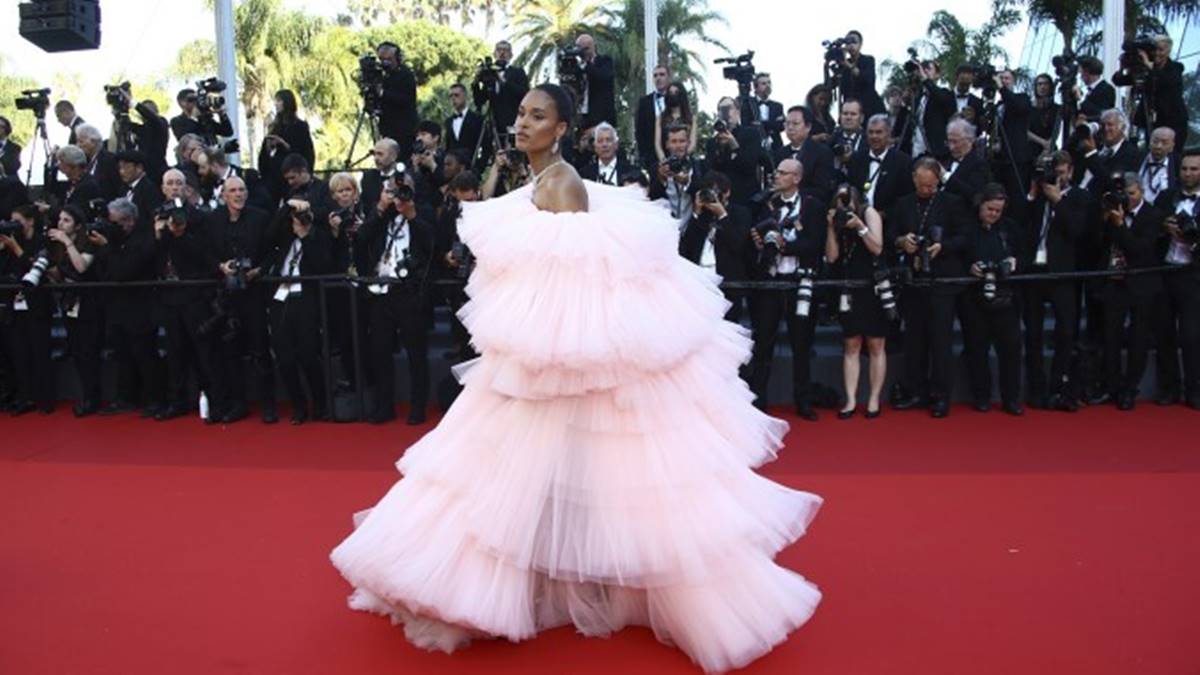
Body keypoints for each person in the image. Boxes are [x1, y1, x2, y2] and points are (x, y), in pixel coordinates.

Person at [330, 82, 822, 673]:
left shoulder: (562, 184)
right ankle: (552, 577)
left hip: (561, 355)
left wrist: (541, 351)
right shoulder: (539, 179)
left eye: (537, 116)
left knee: (546, 473)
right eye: (520, 113)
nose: (523, 123)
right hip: (540, 350)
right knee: (530, 474)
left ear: (562, 128)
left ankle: (570, 581)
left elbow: (577, 280)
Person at [889, 158, 970, 418]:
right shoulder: (903, 204)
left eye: (932, 186)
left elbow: (965, 237)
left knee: (940, 341)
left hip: (942, 281)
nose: (927, 190)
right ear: (914, 179)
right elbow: (891, 234)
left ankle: (941, 395)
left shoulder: (952, 203)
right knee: (914, 340)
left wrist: (942, 246)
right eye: (923, 185)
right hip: (913, 282)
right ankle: (916, 391)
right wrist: (902, 241)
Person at [747, 158, 827, 420]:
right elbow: (756, 238)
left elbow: (815, 243)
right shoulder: (765, 204)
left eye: (783, 173)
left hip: (798, 282)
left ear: (796, 178)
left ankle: (803, 401)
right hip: (770, 282)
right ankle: (758, 400)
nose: (777, 176)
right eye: (777, 172)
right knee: (763, 343)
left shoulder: (812, 206)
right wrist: (759, 242)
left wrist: (785, 246)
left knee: (801, 344)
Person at [358, 174, 433, 425]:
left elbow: (432, 244)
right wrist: (380, 207)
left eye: (404, 190)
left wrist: (412, 215)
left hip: (409, 290)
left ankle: (418, 406)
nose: (399, 196)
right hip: (381, 289)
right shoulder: (382, 214)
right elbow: (361, 239)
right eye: (393, 191)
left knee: (416, 352)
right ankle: (384, 406)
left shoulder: (423, 211)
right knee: (380, 350)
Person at [205, 176, 277, 424]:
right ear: (224, 195)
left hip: (254, 294)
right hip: (225, 296)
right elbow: (205, 253)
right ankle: (238, 404)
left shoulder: (260, 217)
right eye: (233, 190)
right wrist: (220, 267)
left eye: (242, 190)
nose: (238, 194)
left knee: (260, 350)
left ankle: (268, 404)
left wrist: (259, 270)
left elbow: (272, 251)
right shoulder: (212, 220)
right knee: (230, 352)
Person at [1022, 151, 1089, 411]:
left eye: (1060, 173)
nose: (1056, 178)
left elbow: (1078, 232)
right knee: (1033, 333)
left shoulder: (1080, 197)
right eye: (1052, 173)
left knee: (1065, 332)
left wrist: (1058, 201)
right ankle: (1036, 389)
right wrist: (1032, 195)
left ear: (1070, 171)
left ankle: (1059, 387)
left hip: (1063, 273)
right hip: (1034, 271)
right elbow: (1022, 224)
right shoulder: (1038, 196)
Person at [266, 196, 335, 424]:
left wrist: (306, 235)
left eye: (305, 215)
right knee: (284, 358)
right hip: (281, 299)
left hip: (306, 300)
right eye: (297, 216)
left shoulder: (319, 236)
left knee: (308, 356)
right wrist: (288, 207)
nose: (301, 219)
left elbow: (322, 265)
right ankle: (298, 405)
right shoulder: (284, 236)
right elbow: (268, 234)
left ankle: (320, 403)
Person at [92, 198, 162, 417]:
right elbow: (104, 272)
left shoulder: (143, 239)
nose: (112, 227)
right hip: (117, 306)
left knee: (145, 355)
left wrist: (107, 248)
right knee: (122, 355)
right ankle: (125, 397)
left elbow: (125, 271)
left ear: (129, 220)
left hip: (140, 306)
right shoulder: (114, 241)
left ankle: (154, 399)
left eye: (116, 222)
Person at [824, 185, 888, 418]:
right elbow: (832, 256)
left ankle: (873, 398)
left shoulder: (868, 212)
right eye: (839, 203)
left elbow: (877, 248)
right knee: (851, 344)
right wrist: (831, 227)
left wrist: (860, 227)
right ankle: (851, 399)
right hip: (848, 286)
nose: (844, 208)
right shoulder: (837, 220)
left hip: (872, 286)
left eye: (847, 202)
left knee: (875, 344)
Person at [962, 184, 1025, 415]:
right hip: (975, 298)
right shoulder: (967, 229)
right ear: (980, 204)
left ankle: (1012, 398)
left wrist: (1015, 262)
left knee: (1010, 351)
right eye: (990, 209)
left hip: (1006, 298)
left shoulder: (1010, 229)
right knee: (976, 350)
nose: (994, 214)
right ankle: (981, 396)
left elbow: (1024, 254)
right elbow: (957, 254)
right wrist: (970, 267)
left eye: (998, 210)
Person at [44, 204, 104, 416]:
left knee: (88, 353)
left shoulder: (87, 242)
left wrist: (67, 242)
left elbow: (81, 267)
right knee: (77, 352)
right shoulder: (57, 246)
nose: (61, 224)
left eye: (67, 220)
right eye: (60, 219)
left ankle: (92, 397)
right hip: (69, 304)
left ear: (78, 225)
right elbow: (60, 274)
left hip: (89, 304)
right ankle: (85, 395)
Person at [1154, 149, 1200, 410]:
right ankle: (1169, 388)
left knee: (1192, 336)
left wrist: (1192, 240)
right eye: (1184, 169)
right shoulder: (1166, 197)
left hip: (1193, 276)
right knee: (1164, 334)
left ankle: (1195, 390)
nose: (1188, 174)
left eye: (1194, 169)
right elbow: (1149, 227)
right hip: (1165, 272)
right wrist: (1164, 229)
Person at [0, 205, 54, 415]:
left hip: (38, 305)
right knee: (19, 353)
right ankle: (24, 397)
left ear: (31, 221)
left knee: (40, 352)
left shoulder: (41, 241)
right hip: (15, 305)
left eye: (18, 221)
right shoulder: (12, 242)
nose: (14, 226)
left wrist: (16, 249)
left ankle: (45, 398)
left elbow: (37, 267)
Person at [678, 170, 752, 321]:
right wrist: (696, 213)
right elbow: (687, 247)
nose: (711, 197)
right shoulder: (702, 216)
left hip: (727, 281)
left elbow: (737, 244)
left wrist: (722, 215)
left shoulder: (740, 213)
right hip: (700, 280)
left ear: (727, 193)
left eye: (715, 193)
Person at [846, 114, 913, 218]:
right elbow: (851, 186)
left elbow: (905, 199)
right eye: (871, 132)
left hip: (889, 221)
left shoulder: (903, 162)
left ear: (888, 134)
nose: (874, 136)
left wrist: (883, 214)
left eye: (879, 132)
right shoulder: (856, 158)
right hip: (858, 218)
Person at [257, 90, 316, 205]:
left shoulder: (300, 126)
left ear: (287, 102)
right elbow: (265, 154)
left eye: (279, 101)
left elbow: (307, 152)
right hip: (274, 175)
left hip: (292, 174)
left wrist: (284, 144)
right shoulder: (274, 126)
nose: (276, 104)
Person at [705, 97, 762, 206]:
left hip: (746, 197)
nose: (725, 112)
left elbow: (750, 165)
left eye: (728, 108)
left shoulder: (751, 134)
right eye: (721, 109)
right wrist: (720, 149)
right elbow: (711, 169)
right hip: (723, 199)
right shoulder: (712, 142)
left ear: (738, 111)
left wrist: (734, 146)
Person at [773, 105, 835, 203]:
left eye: (795, 124)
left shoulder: (822, 152)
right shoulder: (780, 153)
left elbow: (822, 189)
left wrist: (792, 193)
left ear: (808, 127)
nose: (790, 127)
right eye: (787, 123)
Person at [472, 40, 529, 137]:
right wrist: (475, 83)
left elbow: (524, 94)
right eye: (499, 50)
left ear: (511, 55)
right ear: (494, 54)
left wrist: (504, 82)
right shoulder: (489, 74)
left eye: (505, 50)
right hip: (493, 125)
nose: (502, 53)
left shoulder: (518, 72)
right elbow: (480, 101)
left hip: (513, 122)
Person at [376, 42, 419, 159]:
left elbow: (406, 100)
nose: (385, 63)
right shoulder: (381, 75)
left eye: (389, 59)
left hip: (403, 131)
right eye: (382, 59)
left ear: (397, 58)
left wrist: (382, 93)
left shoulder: (405, 74)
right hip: (386, 128)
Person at [838, 30, 886, 119]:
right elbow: (835, 85)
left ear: (860, 44)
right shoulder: (843, 64)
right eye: (848, 42)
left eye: (854, 42)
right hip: (851, 111)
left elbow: (868, 79)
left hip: (870, 109)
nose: (851, 45)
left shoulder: (868, 60)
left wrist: (848, 65)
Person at [574, 33, 616, 130]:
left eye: (586, 49)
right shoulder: (576, 66)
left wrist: (586, 65)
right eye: (579, 49)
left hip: (599, 117)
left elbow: (604, 77)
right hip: (579, 116)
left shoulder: (605, 61)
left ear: (593, 47)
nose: (583, 52)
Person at [635, 64, 673, 169]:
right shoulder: (644, 102)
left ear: (669, 77)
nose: (658, 78)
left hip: (674, 152)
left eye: (662, 74)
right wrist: (644, 156)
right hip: (651, 159)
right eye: (655, 75)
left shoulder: (676, 98)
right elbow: (639, 131)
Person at [653, 81, 699, 162]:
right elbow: (657, 144)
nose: (673, 95)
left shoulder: (691, 118)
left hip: (686, 160)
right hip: (666, 159)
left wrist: (683, 158)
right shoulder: (660, 118)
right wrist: (664, 161)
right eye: (670, 93)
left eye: (676, 92)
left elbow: (692, 143)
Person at [744, 72, 785, 152]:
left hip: (775, 147)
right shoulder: (748, 105)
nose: (768, 86)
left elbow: (781, 126)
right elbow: (746, 126)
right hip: (754, 147)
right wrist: (772, 123)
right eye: (763, 83)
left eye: (769, 83)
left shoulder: (778, 106)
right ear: (755, 87)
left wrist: (760, 124)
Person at [1137, 127, 1178, 205]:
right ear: (1149, 143)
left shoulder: (1177, 166)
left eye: (1164, 143)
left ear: (1172, 147)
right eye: (1155, 141)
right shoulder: (1136, 158)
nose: (1158, 146)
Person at [443, 83, 484, 160]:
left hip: (472, 163)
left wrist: (479, 165)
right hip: (453, 165)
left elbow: (485, 145)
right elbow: (448, 146)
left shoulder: (477, 119)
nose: (453, 99)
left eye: (456, 95)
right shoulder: (448, 122)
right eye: (451, 96)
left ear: (465, 96)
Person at [1028, 74, 1060, 160]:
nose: (1042, 87)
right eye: (1040, 84)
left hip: (1050, 148)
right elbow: (1025, 130)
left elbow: (1056, 129)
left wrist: (1048, 145)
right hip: (1031, 148)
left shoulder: (1056, 108)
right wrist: (1043, 143)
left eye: (1046, 84)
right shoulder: (1028, 107)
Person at [1076, 56, 1116, 124]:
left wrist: (1081, 98)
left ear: (1087, 72)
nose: (1081, 76)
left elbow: (1103, 114)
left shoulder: (1107, 89)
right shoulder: (1086, 89)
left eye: (1082, 73)